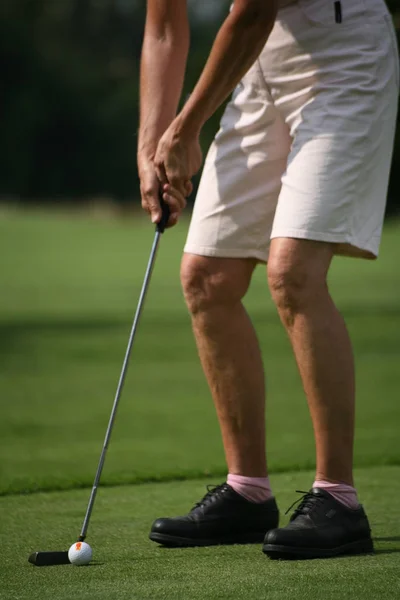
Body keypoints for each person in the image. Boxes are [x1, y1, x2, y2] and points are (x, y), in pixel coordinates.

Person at [137, 0, 398, 559]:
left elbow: (253, 10)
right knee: (206, 275)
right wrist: (151, 143)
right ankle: (248, 492)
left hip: (343, 49)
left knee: (293, 273)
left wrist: (186, 127)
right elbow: (163, 28)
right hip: (257, 66)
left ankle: (340, 499)